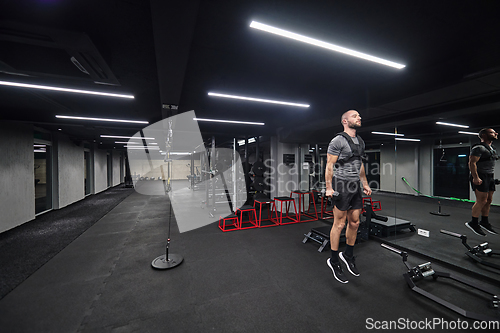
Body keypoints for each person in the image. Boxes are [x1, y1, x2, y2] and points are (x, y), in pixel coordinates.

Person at [325, 110, 371, 283]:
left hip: (355, 186)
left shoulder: (360, 141)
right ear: (345, 121)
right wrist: (328, 187)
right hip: (341, 184)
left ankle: (348, 255)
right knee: (339, 224)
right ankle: (334, 260)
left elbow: (359, 165)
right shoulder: (338, 140)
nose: (359, 117)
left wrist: (364, 183)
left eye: (359, 116)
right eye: (355, 116)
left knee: (355, 222)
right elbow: (330, 165)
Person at [466, 128, 499, 236]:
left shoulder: (492, 148)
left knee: (488, 200)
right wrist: (476, 177)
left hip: (489, 176)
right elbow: (471, 163)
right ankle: (473, 223)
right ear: (484, 135)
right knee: (481, 200)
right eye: (492, 132)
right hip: (480, 176)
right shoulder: (478, 148)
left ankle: (484, 222)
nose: (495, 134)